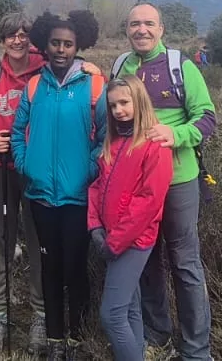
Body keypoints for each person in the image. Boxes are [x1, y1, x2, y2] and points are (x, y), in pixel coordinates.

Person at [113, 3, 217, 361]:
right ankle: (157, 334)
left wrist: (175, 134)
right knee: (145, 260)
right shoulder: (120, 66)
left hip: (177, 181)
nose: (141, 29)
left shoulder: (180, 66)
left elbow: (207, 118)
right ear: (126, 29)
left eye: (148, 23)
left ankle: (196, 350)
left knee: (185, 264)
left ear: (161, 29)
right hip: (135, 185)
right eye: (134, 24)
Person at [11, 10, 107, 360]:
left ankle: (78, 339)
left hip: (78, 196)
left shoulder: (95, 84)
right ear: (45, 45)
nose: (61, 49)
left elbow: (107, 138)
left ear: (78, 44)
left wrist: (88, 170)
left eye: (68, 43)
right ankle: (54, 340)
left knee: (75, 267)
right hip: (40, 195)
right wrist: (25, 164)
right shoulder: (35, 85)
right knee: (50, 266)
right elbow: (19, 130)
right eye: (55, 43)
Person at [88, 75, 174, 361]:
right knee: (129, 308)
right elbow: (97, 186)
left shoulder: (154, 146)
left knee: (111, 315)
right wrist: (95, 226)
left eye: (124, 103)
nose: (118, 111)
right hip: (112, 236)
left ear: (139, 101)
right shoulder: (113, 142)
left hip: (134, 241)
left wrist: (115, 241)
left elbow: (148, 201)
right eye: (112, 106)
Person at [0, 13, 48, 356]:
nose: (18, 40)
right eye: (11, 35)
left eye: (24, 34)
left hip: (34, 168)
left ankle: (40, 313)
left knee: (39, 239)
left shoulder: (45, 71)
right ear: (2, 40)